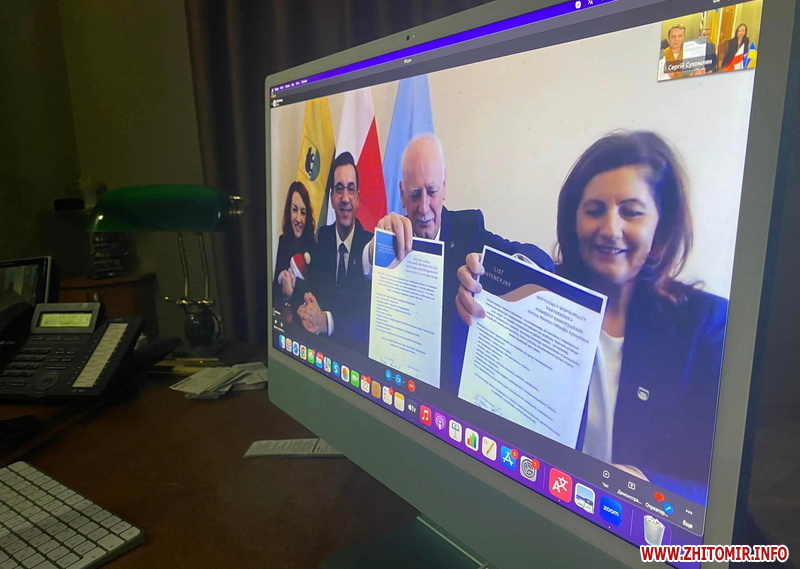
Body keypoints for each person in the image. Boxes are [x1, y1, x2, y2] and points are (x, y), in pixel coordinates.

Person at [457, 131, 726, 504]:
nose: (610, 229)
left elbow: (722, 490)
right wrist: (476, 289)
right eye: (595, 210)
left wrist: (645, 485)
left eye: (631, 212)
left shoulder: (706, 326)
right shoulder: (540, 297)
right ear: (574, 221)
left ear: (661, 225)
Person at [367, 134, 553, 393]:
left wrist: (495, 270)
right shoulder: (389, 236)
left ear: (444, 187)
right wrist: (373, 251)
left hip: (452, 395)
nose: (424, 207)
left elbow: (539, 261)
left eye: (432, 192)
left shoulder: (469, 229)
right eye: (415, 194)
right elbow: (357, 290)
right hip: (396, 385)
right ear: (401, 193)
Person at [294, 151, 373, 351]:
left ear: (358, 198)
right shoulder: (323, 237)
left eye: (351, 189)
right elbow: (314, 289)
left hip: (355, 355)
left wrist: (326, 321)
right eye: (339, 189)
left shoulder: (370, 248)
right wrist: (307, 304)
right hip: (322, 351)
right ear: (331, 198)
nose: (345, 198)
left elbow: (365, 315)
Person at [273, 181, 316, 312]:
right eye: (294, 210)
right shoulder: (282, 241)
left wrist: (292, 288)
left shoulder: (314, 247)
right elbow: (274, 290)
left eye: (303, 212)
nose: (298, 218)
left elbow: (314, 290)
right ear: (289, 211)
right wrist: (280, 279)